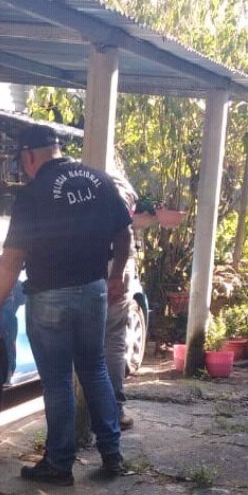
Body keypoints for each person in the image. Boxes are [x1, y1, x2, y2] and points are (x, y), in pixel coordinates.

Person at [0, 124, 132, 486]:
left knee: (58, 381)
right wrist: (116, 275)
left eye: (22, 161)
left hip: (49, 296)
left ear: (30, 156)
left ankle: (60, 463)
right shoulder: (100, 181)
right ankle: (112, 455)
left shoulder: (32, 194)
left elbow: (12, 259)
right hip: (94, 290)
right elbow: (124, 231)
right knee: (95, 369)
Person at [105, 173, 139, 431]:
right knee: (113, 342)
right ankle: (115, 411)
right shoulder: (122, 188)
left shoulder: (89, 185)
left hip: (97, 267)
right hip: (119, 266)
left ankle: (86, 412)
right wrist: (117, 275)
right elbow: (127, 232)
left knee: (89, 343)